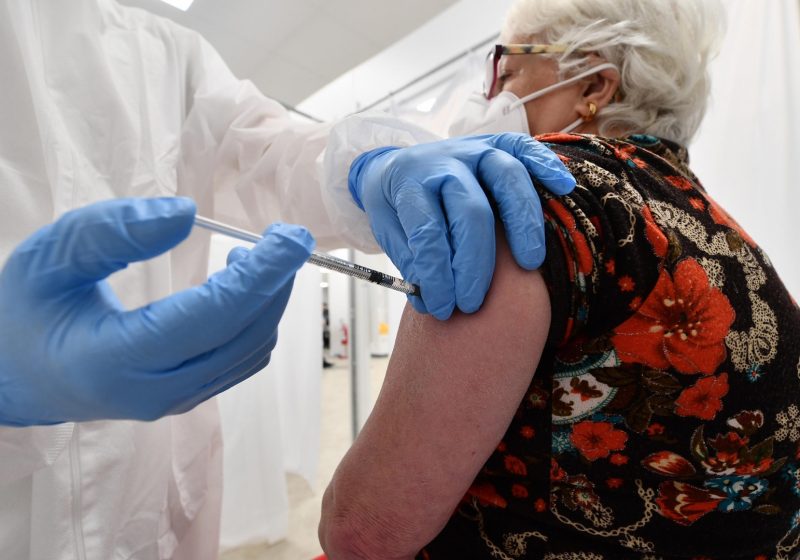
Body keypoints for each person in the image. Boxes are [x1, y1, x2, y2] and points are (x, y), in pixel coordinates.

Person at [0, 1, 577, 558]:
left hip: (147, 503)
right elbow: (364, 532)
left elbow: (268, 152)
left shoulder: (160, 50)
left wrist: (363, 165)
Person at [318, 0, 800, 558]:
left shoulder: (529, 198)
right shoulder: (731, 244)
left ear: (592, 85)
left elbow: (363, 530)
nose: (490, 94)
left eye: (507, 70)